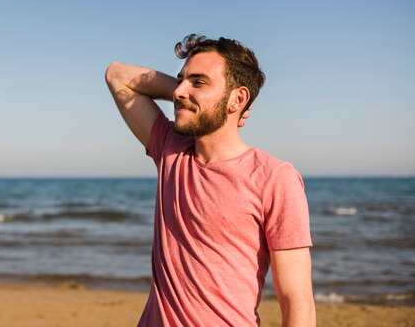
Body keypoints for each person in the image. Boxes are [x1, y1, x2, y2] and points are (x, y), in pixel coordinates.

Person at [105, 34, 315, 326]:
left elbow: (297, 301)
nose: (179, 91)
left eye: (199, 81)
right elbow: (117, 75)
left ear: (237, 98)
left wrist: (208, 100)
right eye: (181, 80)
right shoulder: (170, 150)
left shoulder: (275, 178)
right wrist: (188, 93)